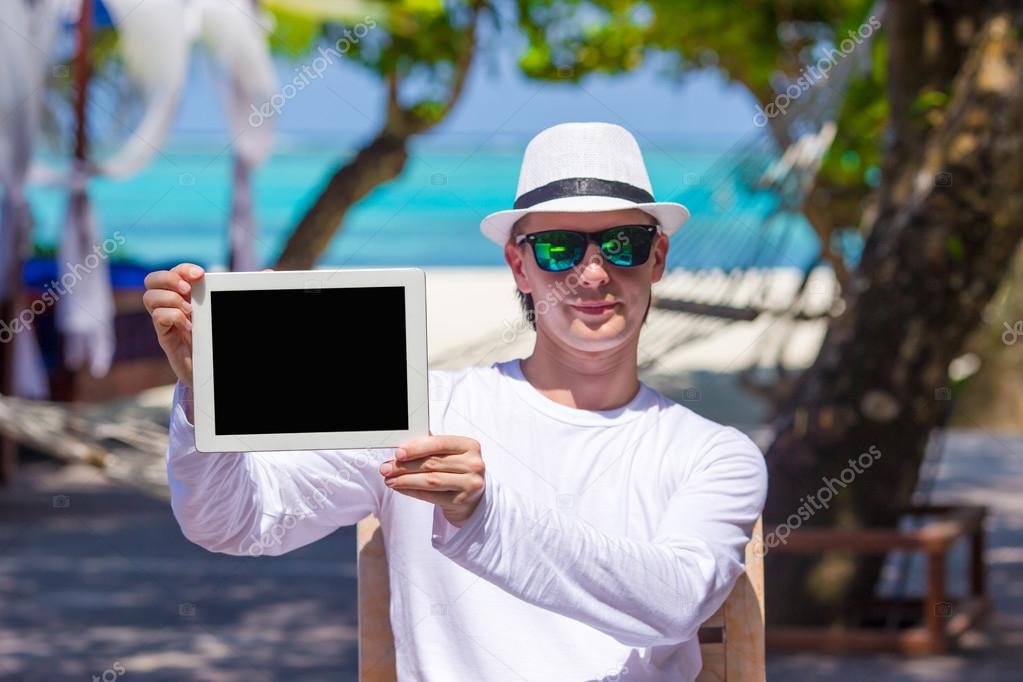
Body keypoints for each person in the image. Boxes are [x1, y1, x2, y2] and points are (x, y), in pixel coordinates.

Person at [144, 121, 768, 681]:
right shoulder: (422, 413)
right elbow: (234, 522)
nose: (594, 273)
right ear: (518, 267)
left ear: (657, 258)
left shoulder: (714, 454)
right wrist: (207, 397)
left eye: (623, 244)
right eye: (559, 247)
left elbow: (676, 602)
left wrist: (485, 513)